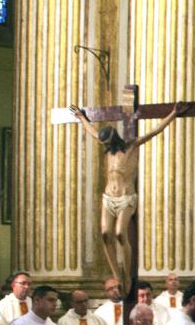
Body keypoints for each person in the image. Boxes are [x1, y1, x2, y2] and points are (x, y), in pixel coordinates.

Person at [70, 101, 181, 289]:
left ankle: (127, 275)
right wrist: (82, 118)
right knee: (105, 234)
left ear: (114, 139)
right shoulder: (108, 150)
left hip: (125, 197)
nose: (104, 145)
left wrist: (173, 114)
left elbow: (155, 131)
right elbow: (92, 132)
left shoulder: (131, 145)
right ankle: (117, 275)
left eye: (107, 142)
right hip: (108, 197)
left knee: (121, 234)